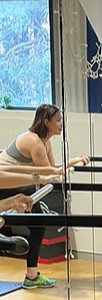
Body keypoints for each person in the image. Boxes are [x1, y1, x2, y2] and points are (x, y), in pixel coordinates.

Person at [0, 104, 84, 288]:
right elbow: (48, 176)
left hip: (19, 186)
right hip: (5, 186)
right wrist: (68, 165)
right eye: (58, 120)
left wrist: (72, 162)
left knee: (39, 223)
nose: (61, 124)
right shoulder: (34, 142)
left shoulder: (45, 141)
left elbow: (51, 171)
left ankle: (32, 275)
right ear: (46, 122)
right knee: (38, 220)